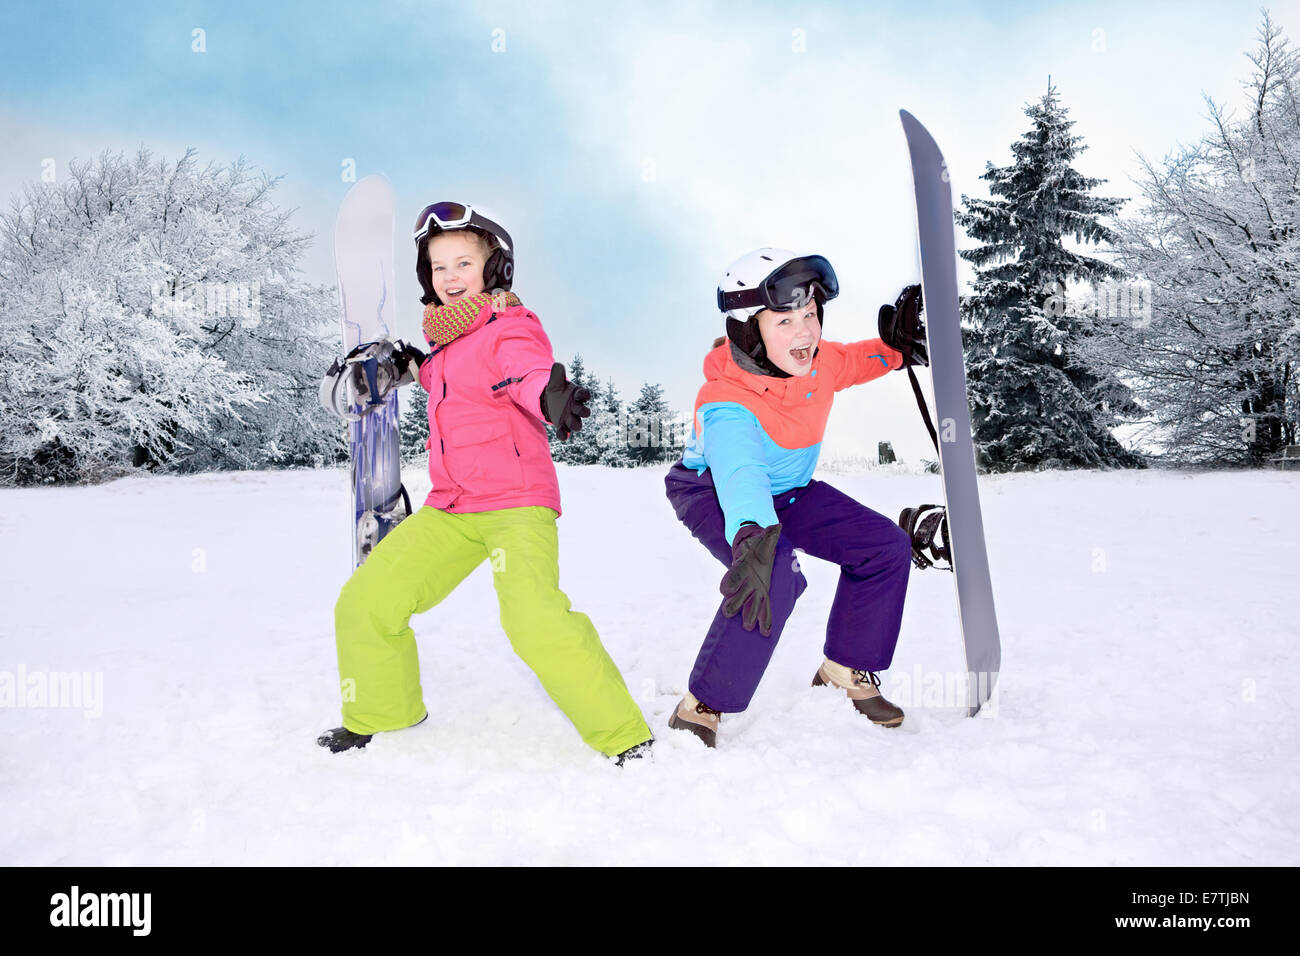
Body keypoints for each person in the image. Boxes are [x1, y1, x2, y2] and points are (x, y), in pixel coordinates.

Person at [317, 201, 653, 764]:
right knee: (366, 602)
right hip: (451, 509)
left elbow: (523, 369)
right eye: (439, 267)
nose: (450, 278)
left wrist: (549, 394)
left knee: (532, 616)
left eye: (463, 263)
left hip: (515, 505)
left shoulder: (509, 328)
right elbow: (442, 374)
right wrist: (400, 366)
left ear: (493, 268)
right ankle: (382, 710)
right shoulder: (446, 349)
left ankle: (622, 734)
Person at [663, 247, 927, 748]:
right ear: (749, 331)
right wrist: (753, 535)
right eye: (784, 321)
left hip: (788, 490)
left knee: (884, 546)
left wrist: (900, 350)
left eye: (810, 315)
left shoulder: (819, 363)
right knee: (771, 573)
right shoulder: (725, 402)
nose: (804, 333)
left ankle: (844, 668)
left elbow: (856, 360)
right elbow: (740, 471)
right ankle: (704, 703)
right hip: (714, 493)